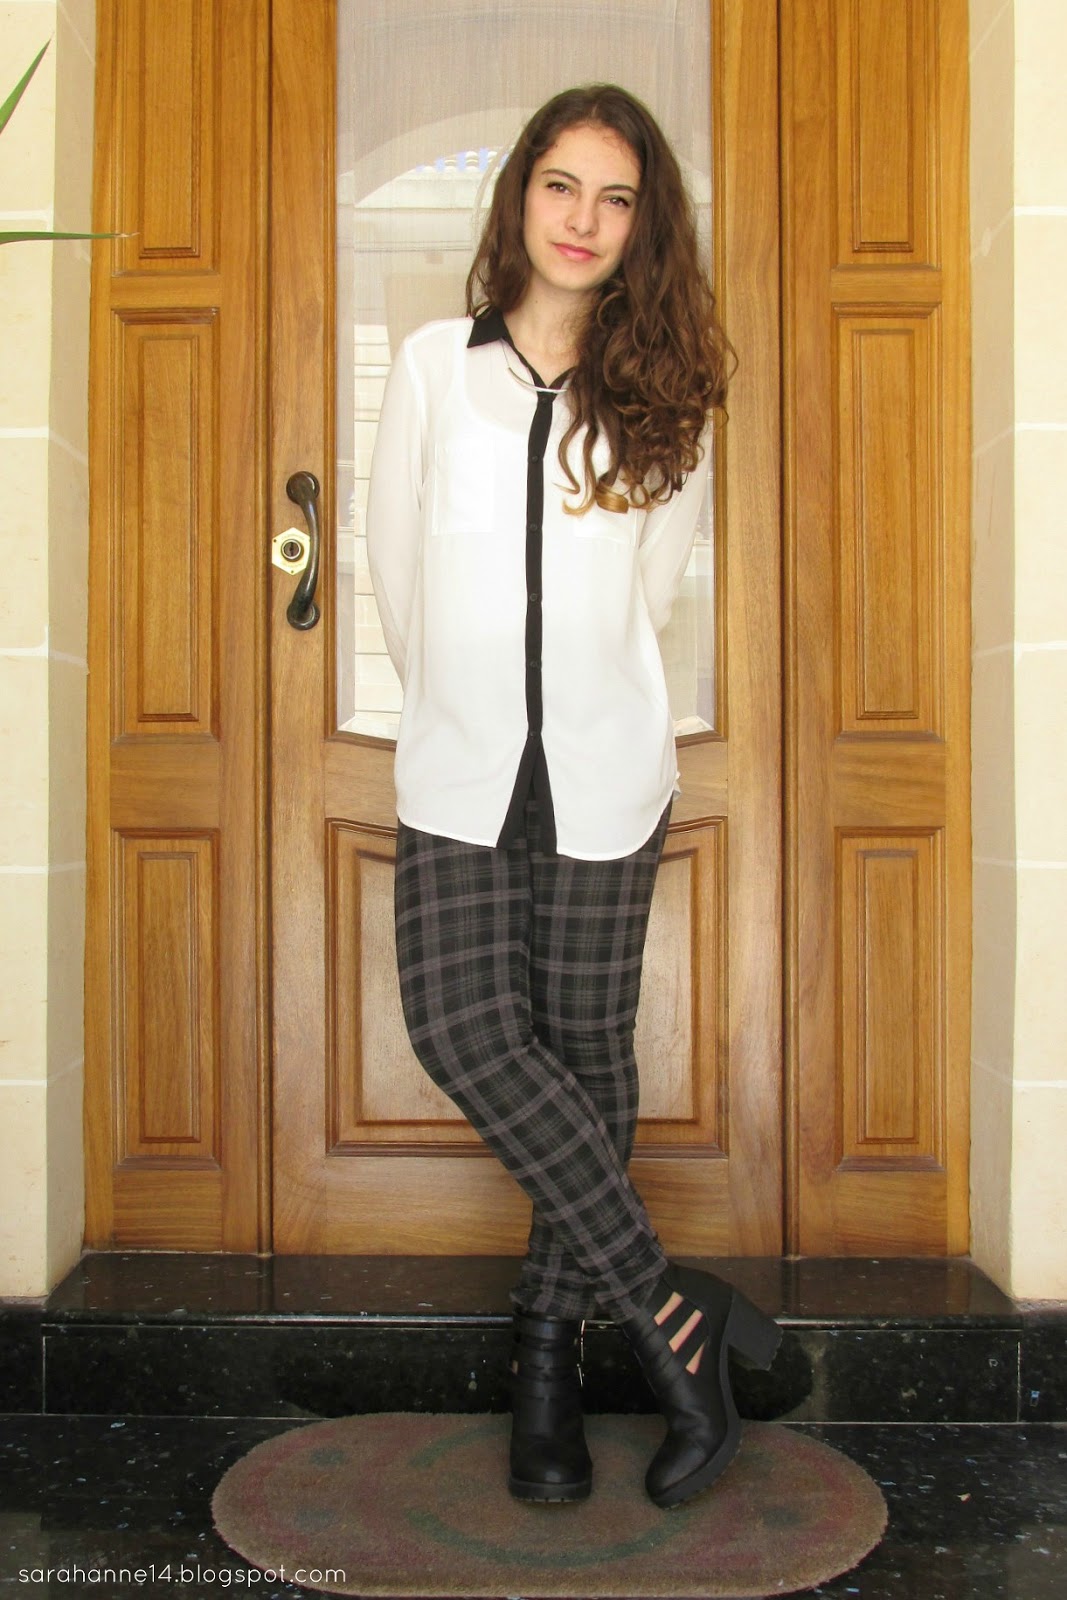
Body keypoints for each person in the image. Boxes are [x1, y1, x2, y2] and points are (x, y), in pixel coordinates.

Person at [366, 83, 780, 1511]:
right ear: (520, 197)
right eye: (561, 186)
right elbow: (396, 571)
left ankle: (547, 1368)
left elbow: (649, 600)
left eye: (616, 197)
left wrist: (579, 706)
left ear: (642, 225)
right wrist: (468, 701)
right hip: (462, 762)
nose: (584, 219)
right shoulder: (436, 368)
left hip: (605, 767)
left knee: (589, 1062)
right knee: (466, 1030)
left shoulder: (667, 393)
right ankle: (675, 1318)